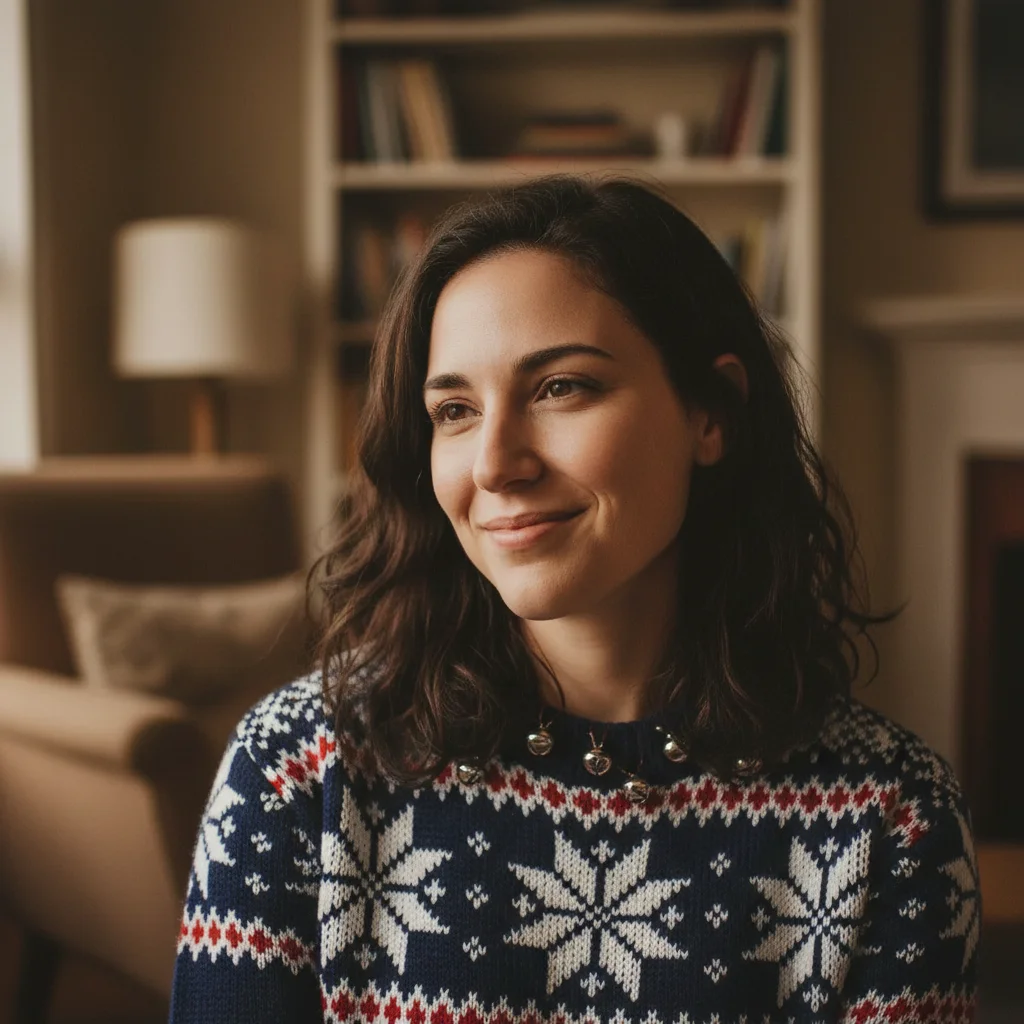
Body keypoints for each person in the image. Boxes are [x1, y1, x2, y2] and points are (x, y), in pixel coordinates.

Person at [168, 176, 979, 1023]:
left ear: (712, 412)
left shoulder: (893, 813)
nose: (494, 464)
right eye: (453, 409)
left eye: (562, 388)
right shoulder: (298, 773)